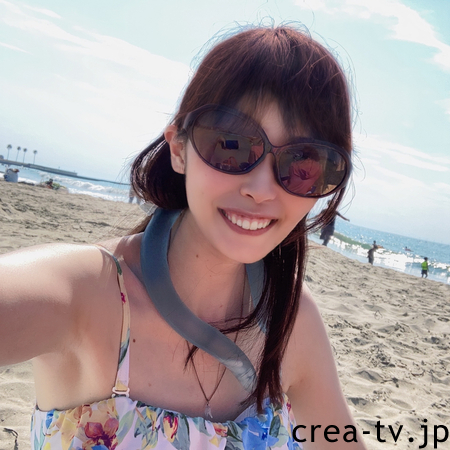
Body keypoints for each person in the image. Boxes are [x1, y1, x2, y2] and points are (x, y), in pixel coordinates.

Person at [0, 26, 367, 449]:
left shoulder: (291, 320)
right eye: (231, 144)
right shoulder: (87, 291)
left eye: (305, 162)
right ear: (179, 148)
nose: (262, 189)